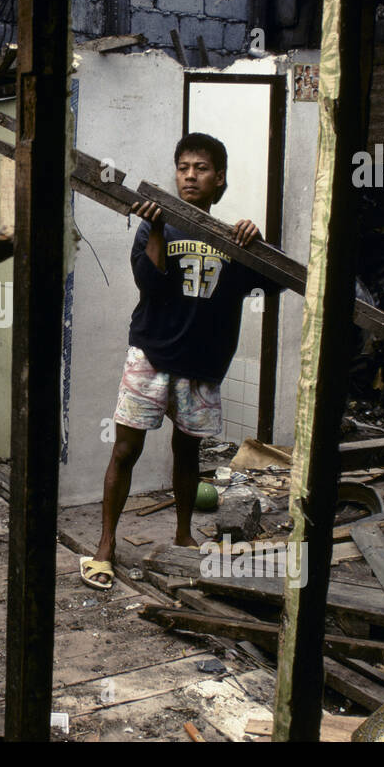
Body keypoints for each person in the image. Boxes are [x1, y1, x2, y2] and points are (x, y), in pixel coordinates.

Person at [80, 133, 272, 590]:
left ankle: (184, 536)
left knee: (188, 453)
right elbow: (150, 282)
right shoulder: (153, 226)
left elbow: (270, 281)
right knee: (125, 450)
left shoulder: (233, 240)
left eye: (201, 168)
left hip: (202, 365)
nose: (189, 175)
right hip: (151, 354)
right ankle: (105, 546)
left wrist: (256, 240)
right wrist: (161, 228)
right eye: (183, 167)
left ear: (219, 178)